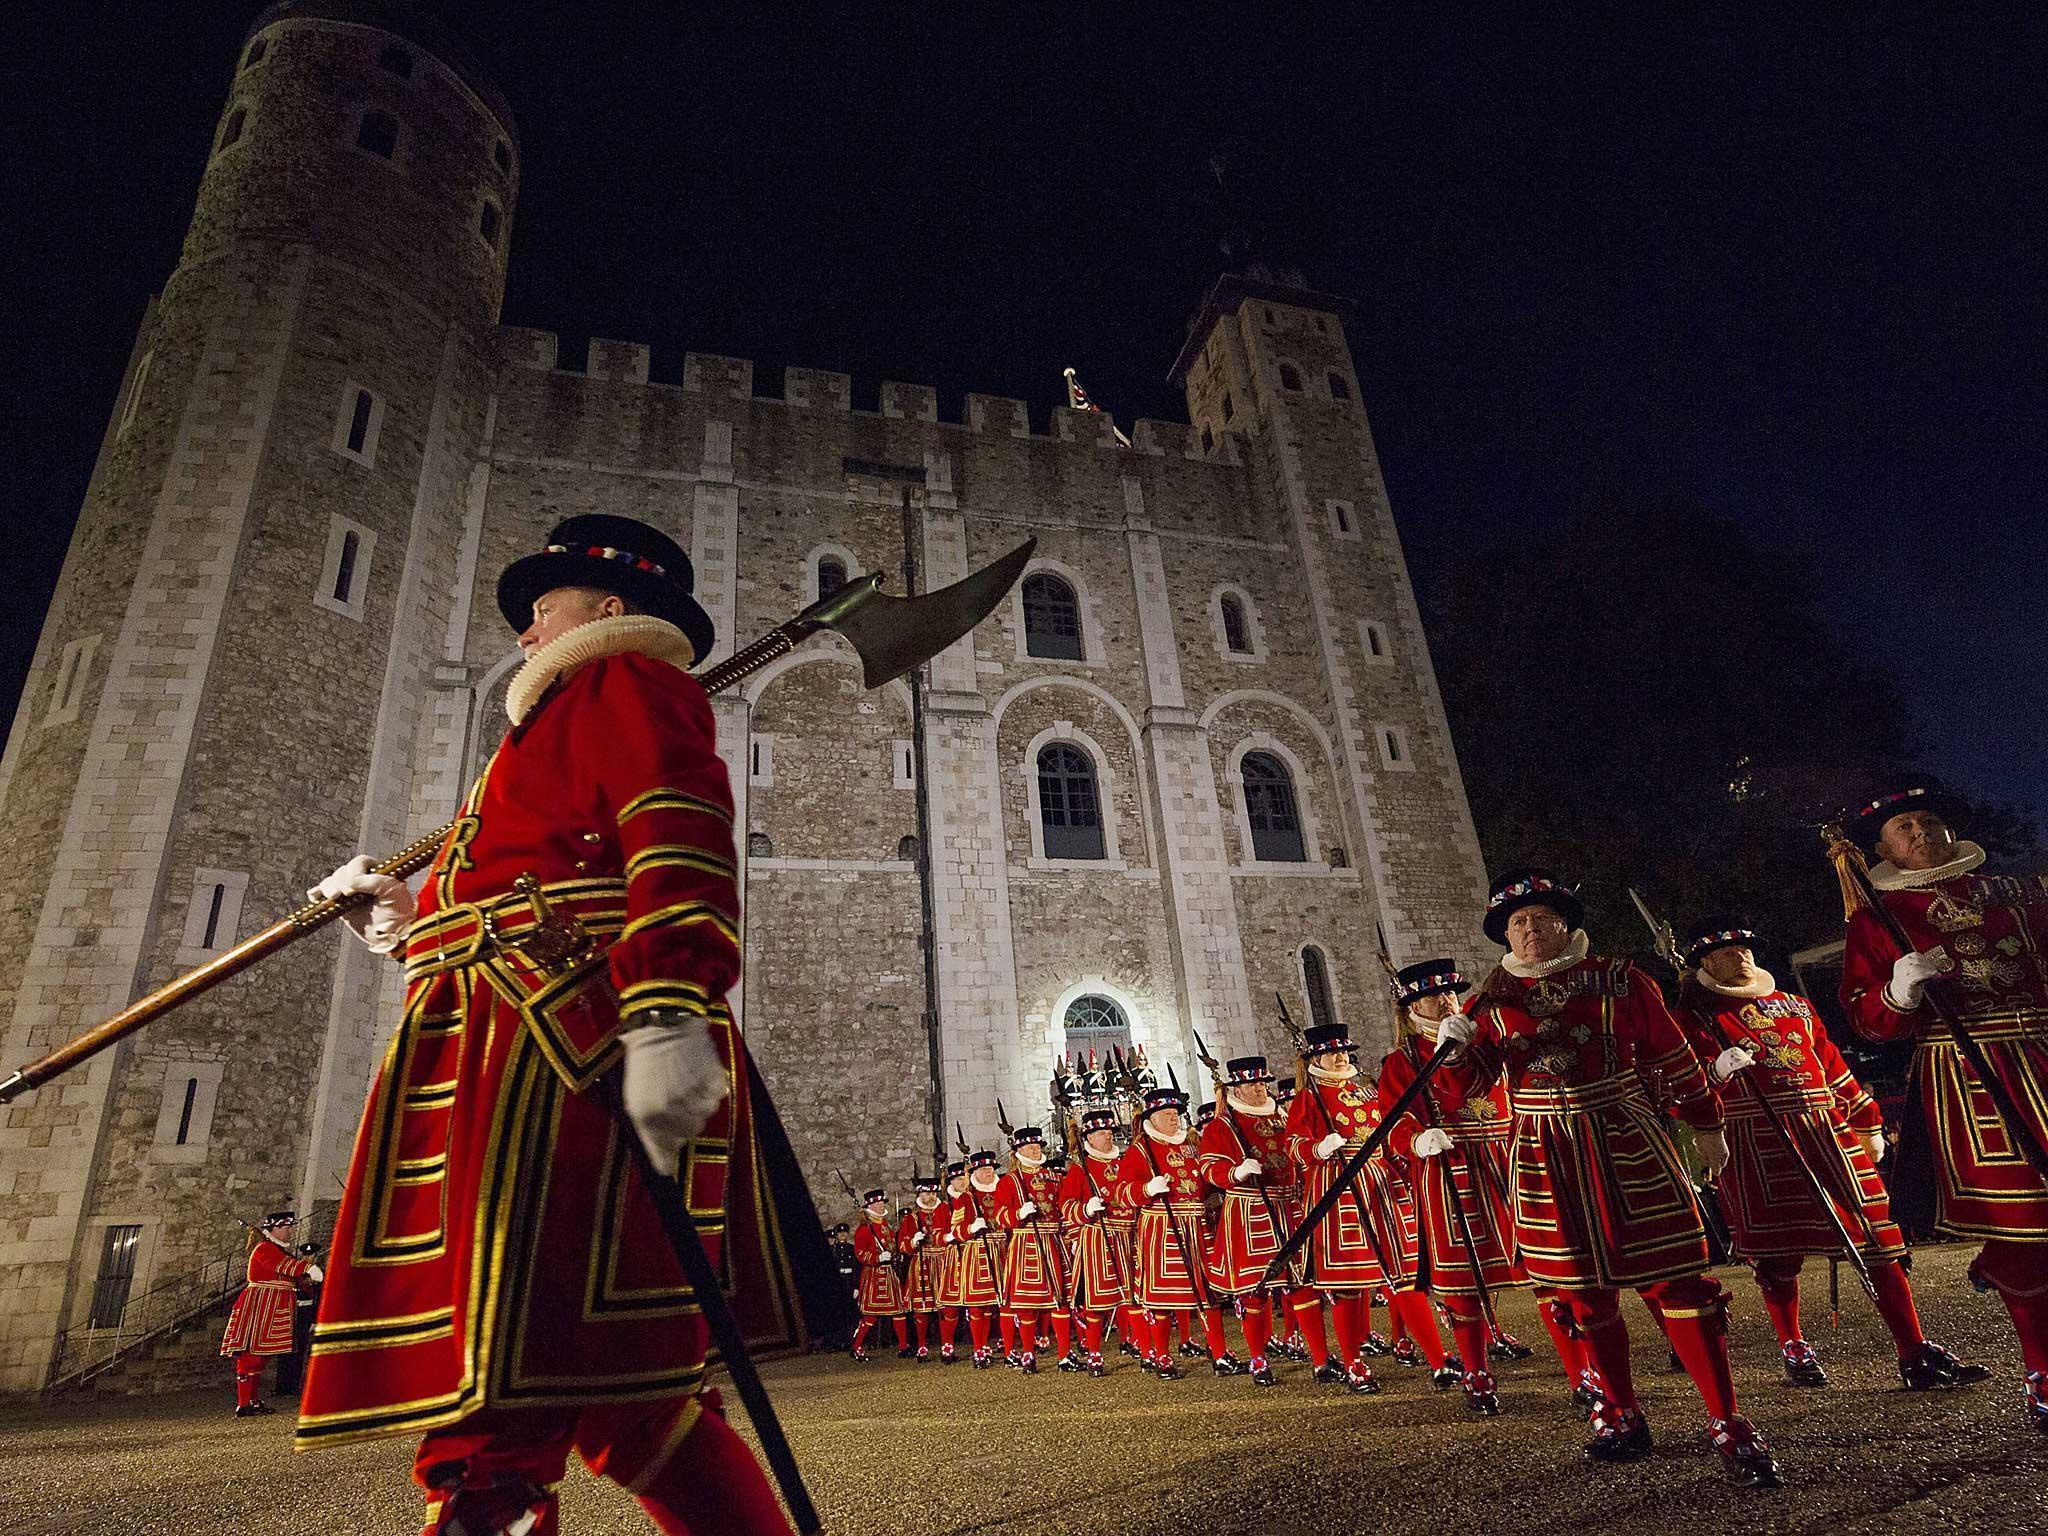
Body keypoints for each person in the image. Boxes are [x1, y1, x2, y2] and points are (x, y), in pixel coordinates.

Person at [295, 515, 800, 1536]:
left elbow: (678, 838)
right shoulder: (544, 726)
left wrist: (666, 1011)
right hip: (502, 1040)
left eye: (541, 613)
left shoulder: (627, 684)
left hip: (565, 1048)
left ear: (606, 610)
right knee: (614, 1389)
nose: (524, 634)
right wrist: (403, 919)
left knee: (517, 1371)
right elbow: (517, 887)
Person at [1436, 869, 1781, 1487]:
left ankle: (1727, 1419)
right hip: (1543, 1149)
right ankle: (1620, 1412)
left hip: (1623, 1132)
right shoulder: (1488, 1000)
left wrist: (1706, 1122)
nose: (1530, 929)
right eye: (1517, 922)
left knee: (1674, 1279)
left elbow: (1668, 1052)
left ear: (1565, 924)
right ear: (1504, 936)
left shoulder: (1621, 978)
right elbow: (1466, 1090)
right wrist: (1457, 1050)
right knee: (1584, 1293)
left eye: (1541, 918)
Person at [1677, 920, 1987, 1391]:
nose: (1739, 956)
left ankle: (1914, 1349)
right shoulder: (1696, 1016)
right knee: (1778, 1255)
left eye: (1744, 947)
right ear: (1704, 963)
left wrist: (1864, 1118)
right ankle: (1794, 1344)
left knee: (1879, 1241)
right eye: (1724, 952)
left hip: (1826, 1129)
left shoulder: (1795, 1006)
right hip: (1756, 1137)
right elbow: (1681, 1081)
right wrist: (1714, 1072)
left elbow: (1829, 1061)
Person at [1838, 784, 2048, 1432]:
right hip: (1971, 1074)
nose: (1921, 832)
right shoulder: (1877, 917)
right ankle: (2043, 1371)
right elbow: (1867, 1019)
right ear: (1881, 849)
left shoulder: (2022, 892)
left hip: (2044, 1048)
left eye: (1929, 820)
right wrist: (1898, 989)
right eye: (1905, 827)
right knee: (2023, 1231)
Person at [1378, 961, 1566, 1415]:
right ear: (1410, 1007)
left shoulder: (1488, 1037)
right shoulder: (1401, 1060)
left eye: (1450, 993)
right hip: (1451, 1166)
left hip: (1508, 1157)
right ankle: (1476, 1369)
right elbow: (1392, 1118)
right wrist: (1415, 1139)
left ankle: (1582, 1369)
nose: (1445, 1001)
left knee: (1551, 1269)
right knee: (1463, 1281)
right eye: (1432, 997)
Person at [1283, 1022, 1420, 1394]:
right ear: (1315, 1058)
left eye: (1343, 1050)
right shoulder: (1308, 1097)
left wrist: (1406, 1161)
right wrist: (1317, 1148)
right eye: (1331, 1052)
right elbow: (1294, 1144)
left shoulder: (1367, 1087)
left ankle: (1421, 1347)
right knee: (1350, 1279)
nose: (1340, 1056)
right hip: (1337, 1181)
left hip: (1379, 1180)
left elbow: (1387, 1127)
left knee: (1401, 1271)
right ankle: (1352, 1358)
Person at [1112, 1086, 1227, 1380]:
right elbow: (1121, 1192)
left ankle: (1220, 1353)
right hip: (1161, 1226)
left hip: (1195, 1225)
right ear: (1153, 1117)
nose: (1174, 1118)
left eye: (1176, 1113)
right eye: (1167, 1114)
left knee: (1206, 1291)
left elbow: (1204, 1176)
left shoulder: (1190, 1144)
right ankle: (1161, 1355)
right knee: (1161, 1297)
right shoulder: (1141, 1149)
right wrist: (1146, 1189)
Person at [1196, 1056, 1297, 1386]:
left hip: (1288, 1206)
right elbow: (1208, 1167)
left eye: (1262, 1082)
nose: (1260, 1088)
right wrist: (1234, 1172)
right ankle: (1257, 1357)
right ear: (1236, 1088)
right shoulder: (1223, 1125)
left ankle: (1321, 1358)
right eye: (1253, 1083)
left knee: (1300, 1283)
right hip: (1249, 1210)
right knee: (1256, 1289)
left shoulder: (1281, 1116)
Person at [220, 1210, 322, 1418]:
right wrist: (307, 1268)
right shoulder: (265, 1248)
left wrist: (304, 1280)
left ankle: (253, 1400)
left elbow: (288, 1275)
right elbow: (284, 1266)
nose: (290, 1232)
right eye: (286, 1228)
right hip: (260, 1305)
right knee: (250, 1355)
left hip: (274, 1306)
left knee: (261, 1357)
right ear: (274, 1229)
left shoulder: (276, 1249)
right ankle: (244, 1403)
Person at [1057, 1107, 1132, 1377]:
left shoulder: (1122, 1163)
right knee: (1096, 1301)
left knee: (1131, 1297)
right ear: (1089, 1138)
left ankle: (1145, 1348)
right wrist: (1085, 1210)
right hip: (1096, 1239)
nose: (1108, 1137)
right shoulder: (1079, 1170)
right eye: (1101, 1133)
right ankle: (1095, 1353)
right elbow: (1065, 1206)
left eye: (1110, 1132)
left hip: (1125, 1235)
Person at [990, 1126, 1072, 1373]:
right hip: (1025, 1244)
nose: (1036, 1151)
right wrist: (1018, 1214)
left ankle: (1065, 1354)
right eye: (1030, 1147)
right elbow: (1000, 1216)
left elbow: (1063, 1205)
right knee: (1027, 1303)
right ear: (1018, 1151)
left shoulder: (1053, 1177)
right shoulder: (1008, 1182)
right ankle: (1027, 1352)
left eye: (1038, 1147)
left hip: (1053, 1241)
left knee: (1061, 1300)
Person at [951, 1150, 1010, 1369]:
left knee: (998, 1304)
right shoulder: (965, 1198)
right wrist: (970, 1228)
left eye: (990, 1169)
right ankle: (978, 1348)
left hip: (1001, 1250)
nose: (988, 1173)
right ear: (974, 1172)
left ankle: (1004, 1345)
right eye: (983, 1169)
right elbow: (955, 1231)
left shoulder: (1002, 1191)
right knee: (978, 1305)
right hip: (976, 1253)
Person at [850, 1188, 909, 1362]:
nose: (881, 1205)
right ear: (870, 1206)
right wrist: (877, 1258)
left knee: (899, 1311)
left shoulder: (885, 1226)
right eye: (877, 1203)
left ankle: (903, 1346)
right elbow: (859, 1253)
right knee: (870, 1315)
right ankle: (857, 1346)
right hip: (874, 1275)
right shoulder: (865, 1229)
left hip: (890, 1274)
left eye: (882, 1202)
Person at [898, 1174, 946, 1361]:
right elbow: (902, 1245)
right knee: (922, 1308)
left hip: (942, 1260)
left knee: (945, 1307)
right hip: (922, 1262)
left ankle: (946, 1344)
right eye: (927, 1193)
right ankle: (922, 1345)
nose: (931, 1197)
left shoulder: (944, 1211)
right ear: (920, 1195)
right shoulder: (912, 1218)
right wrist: (913, 1241)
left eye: (933, 1193)